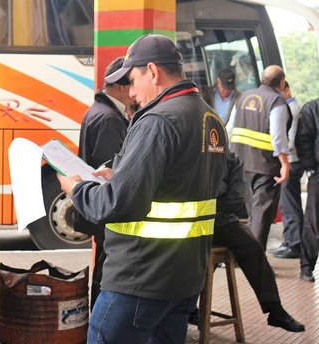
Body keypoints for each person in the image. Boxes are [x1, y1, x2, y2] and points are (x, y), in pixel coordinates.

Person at [57, 34, 228, 343]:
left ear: (152, 71)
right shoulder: (210, 118)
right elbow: (183, 184)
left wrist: (76, 189)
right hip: (186, 277)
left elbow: (117, 204)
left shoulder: (158, 120)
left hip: (141, 277)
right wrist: (121, 172)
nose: (131, 93)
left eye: (133, 80)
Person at [195, 152, 305, 332]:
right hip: (193, 221)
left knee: (253, 247)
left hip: (221, 220)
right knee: (199, 257)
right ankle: (189, 306)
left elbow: (236, 199)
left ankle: (275, 309)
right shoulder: (194, 154)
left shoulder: (231, 159)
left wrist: (210, 205)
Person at [74, 56, 136, 309]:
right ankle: (99, 326)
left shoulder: (97, 110)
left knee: (102, 267)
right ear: (120, 87)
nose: (133, 93)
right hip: (105, 210)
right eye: (130, 85)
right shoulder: (110, 118)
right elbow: (109, 168)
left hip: (97, 208)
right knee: (105, 273)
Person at [229, 65, 290, 251]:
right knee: (261, 214)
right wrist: (284, 163)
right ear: (281, 82)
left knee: (250, 213)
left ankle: (246, 256)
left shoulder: (243, 97)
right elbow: (277, 136)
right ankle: (254, 259)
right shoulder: (276, 100)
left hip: (241, 163)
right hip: (265, 167)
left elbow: (229, 128)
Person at [273, 81, 304, 259]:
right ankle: (289, 241)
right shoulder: (289, 106)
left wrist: (280, 155)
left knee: (289, 204)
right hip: (291, 160)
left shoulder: (291, 108)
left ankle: (294, 244)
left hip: (292, 161)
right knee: (287, 203)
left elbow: (289, 140)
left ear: (286, 89)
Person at [295, 98, 319, 282]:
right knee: (313, 221)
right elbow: (303, 139)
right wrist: (310, 168)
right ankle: (306, 267)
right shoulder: (313, 108)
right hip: (318, 172)